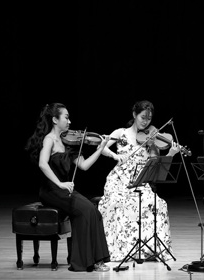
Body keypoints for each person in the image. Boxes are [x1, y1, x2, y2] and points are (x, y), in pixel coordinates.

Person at [24, 103, 111, 272]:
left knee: (94, 212)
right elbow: (42, 164)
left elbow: (84, 165)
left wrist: (100, 149)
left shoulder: (67, 143)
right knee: (86, 210)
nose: (70, 121)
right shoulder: (49, 139)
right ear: (55, 120)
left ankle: (86, 261)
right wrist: (60, 183)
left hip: (65, 190)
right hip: (51, 191)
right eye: (66, 117)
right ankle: (88, 262)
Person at [97, 100, 180, 262]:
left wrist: (169, 153)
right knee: (122, 205)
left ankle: (148, 250)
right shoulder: (121, 133)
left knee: (159, 204)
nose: (146, 121)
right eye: (143, 117)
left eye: (149, 119)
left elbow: (156, 165)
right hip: (119, 181)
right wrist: (115, 156)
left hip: (140, 181)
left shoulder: (152, 138)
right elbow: (102, 146)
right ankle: (123, 250)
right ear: (134, 115)